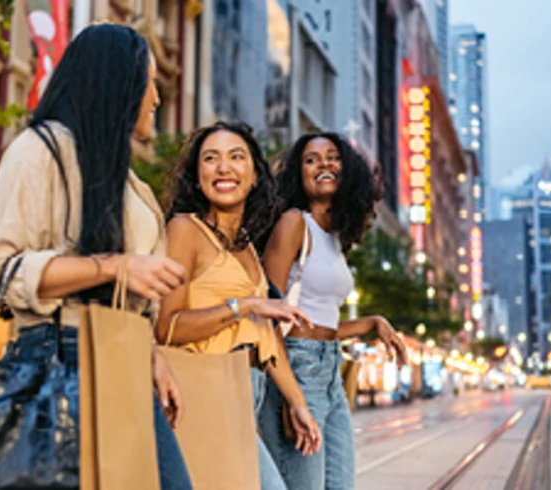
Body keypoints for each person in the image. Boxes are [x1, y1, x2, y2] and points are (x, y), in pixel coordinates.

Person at [0, 24, 192, 489]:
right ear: (118, 82)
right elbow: (3, 271)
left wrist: (153, 357)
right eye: (149, 82)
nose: (156, 98)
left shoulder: (130, 184)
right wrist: (115, 265)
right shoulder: (38, 152)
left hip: (126, 360)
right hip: (59, 358)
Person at [157, 121, 323, 490]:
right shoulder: (185, 230)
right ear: (196, 174)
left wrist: (297, 403)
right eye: (210, 158)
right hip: (203, 391)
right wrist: (242, 305)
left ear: (253, 175)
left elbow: (266, 337)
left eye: (236, 157)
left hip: (247, 391)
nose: (223, 168)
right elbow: (166, 327)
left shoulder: (247, 246)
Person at [259, 132, 409, 490]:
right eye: (311, 160)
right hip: (296, 368)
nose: (323, 164)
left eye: (332, 157)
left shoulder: (335, 236)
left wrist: (373, 322)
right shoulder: (294, 223)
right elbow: (266, 317)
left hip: (330, 372)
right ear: (299, 175)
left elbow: (320, 322)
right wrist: (290, 395)